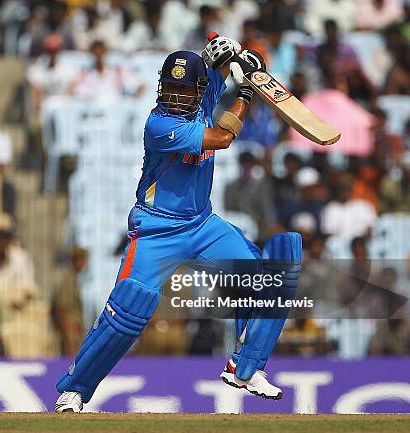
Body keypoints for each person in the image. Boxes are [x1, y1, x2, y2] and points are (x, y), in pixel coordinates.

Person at [55, 36, 302, 412]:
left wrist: (238, 59)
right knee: (129, 310)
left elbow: (218, 69)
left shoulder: (203, 96)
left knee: (270, 277)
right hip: (156, 228)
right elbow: (221, 137)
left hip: (202, 225)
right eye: (169, 87)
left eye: (183, 89)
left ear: (198, 90)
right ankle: (74, 390)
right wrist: (247, 92)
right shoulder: (159, 124)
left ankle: (246, 365)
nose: (175, 95)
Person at [70, 40, 143, 102]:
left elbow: (138, 85)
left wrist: (134, 101)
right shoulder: (84, 73)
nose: (98, 56)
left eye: (100, 53)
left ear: (105, 52)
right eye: (95, 53)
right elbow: (72, 91)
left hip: (115, 109)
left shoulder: (117, 70)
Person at [51, 247, 88, 356]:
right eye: (82, 259)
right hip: (69, 330)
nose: (84, 263)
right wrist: (67, 334)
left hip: (75, 328)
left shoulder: (75, 279)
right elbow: (61, 308)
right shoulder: (68, 280)